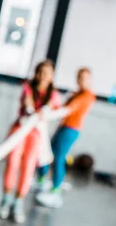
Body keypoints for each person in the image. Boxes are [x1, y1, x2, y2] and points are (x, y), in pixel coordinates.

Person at [0, 59, 61, 223]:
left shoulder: (54, 95)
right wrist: (33, 111)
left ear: (52, 76)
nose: (43, 76)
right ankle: (6, 199)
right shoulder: (28, 88)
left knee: (28, 166)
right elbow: (27, 103)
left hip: (36, 133)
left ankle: (18, 202)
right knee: (12, 162)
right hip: (21, 128)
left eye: (47, 73)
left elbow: (55, 105)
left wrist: (46, 109)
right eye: (40, 72)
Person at [35, 67, 96, 208]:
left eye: (85, 78)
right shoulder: (76, 94)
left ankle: (55, 191)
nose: (81, 80)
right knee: (48, 153)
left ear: (90, 80)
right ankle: (43, 181)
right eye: (79, 77)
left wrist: (48, 114)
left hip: (71, 130)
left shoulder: (87, 96)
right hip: (64, 127)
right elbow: (63, 107)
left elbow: (69, 109)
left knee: (59, 158)